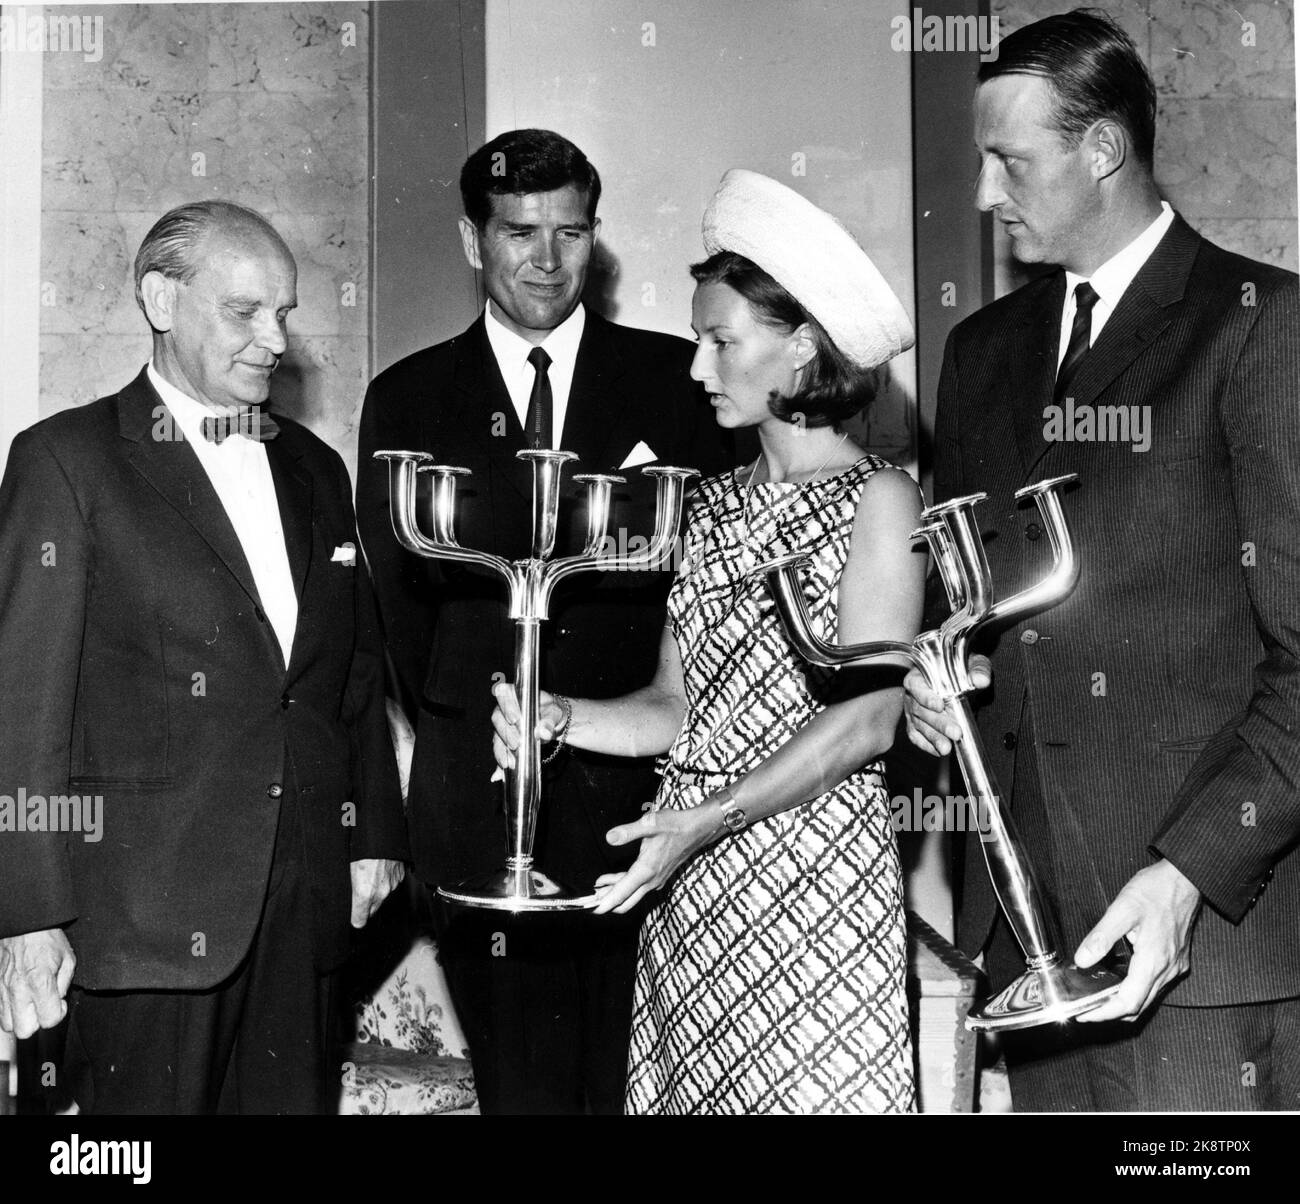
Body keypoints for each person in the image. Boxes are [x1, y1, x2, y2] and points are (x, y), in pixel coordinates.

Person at [905, 8, 1300, 1111]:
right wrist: (935, 688)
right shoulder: (980, 354)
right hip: (1034, 948)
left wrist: (1184, 875)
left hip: (1202, 947)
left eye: (1007, 161)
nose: (985, 192)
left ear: (1104, 149)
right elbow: (973, 607)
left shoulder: (1258, 324)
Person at [492, 169, 923, 1114]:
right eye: (698, 338)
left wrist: (705, 819)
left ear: (802, 350)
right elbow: (678, 708)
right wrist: (560, 718)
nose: (696, 367)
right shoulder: (711, 502)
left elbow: (871, 720)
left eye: (721, 340)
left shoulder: (882, 500)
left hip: (811, 880)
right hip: (691, 879)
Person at [356, 129, 739, 1114]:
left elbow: (705, 582)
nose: (546, 258)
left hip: (634, 786)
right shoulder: (407, 396)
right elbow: (399, 616)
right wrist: (470, 710)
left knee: (627, 1071)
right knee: (505, 1076)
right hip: (474, 799)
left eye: (570, 232)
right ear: (470, 238)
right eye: (519, 232)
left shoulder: (676, 381)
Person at [0, 201, 408, 1114]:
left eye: (284, 314)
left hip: (302, 907)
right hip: (143, 915)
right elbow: (21, 706)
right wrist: (26, 913)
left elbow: (349, 674)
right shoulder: (67, 460)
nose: (275, 338)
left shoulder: (315, 468)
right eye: (244, 312)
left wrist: (373, 834)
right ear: (159, 299)